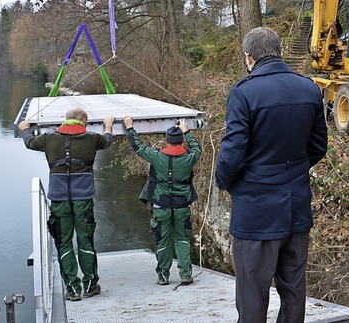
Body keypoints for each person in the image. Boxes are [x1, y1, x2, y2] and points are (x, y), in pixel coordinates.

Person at [215, 26, 328, 323]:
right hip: (296, 208)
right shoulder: (309, 88)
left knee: (253, 292)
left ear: (249, 57)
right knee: (293, 289)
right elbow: (318, 147)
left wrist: (226, 182)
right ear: (277, 52)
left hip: (256, 211)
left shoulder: (244, 93)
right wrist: (291, 172)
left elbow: (232, 153)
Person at [19, 108, 114, 301]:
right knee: (85, 240)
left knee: (64, 243)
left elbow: (29, 142)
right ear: (80, 119)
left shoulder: (48, 138)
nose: (86, 125)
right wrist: (109, 126)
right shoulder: (92, 138)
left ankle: (72, 290)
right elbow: (108, 140)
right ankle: (90, 285)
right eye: (85, 121)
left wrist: (24, 129)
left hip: (59, 199)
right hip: (83, 199)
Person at [123, 117, 201, 286]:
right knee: (182, 240)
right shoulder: (190, 157)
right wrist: (186, 131)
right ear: (181, 141)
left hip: (161, 206)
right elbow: (197, 148)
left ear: (167, 141)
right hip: (182, 206)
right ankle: (185, 274)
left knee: (162, 241)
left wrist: (130, 128)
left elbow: (138, 147)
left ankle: (163, 276)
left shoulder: (156, 156)